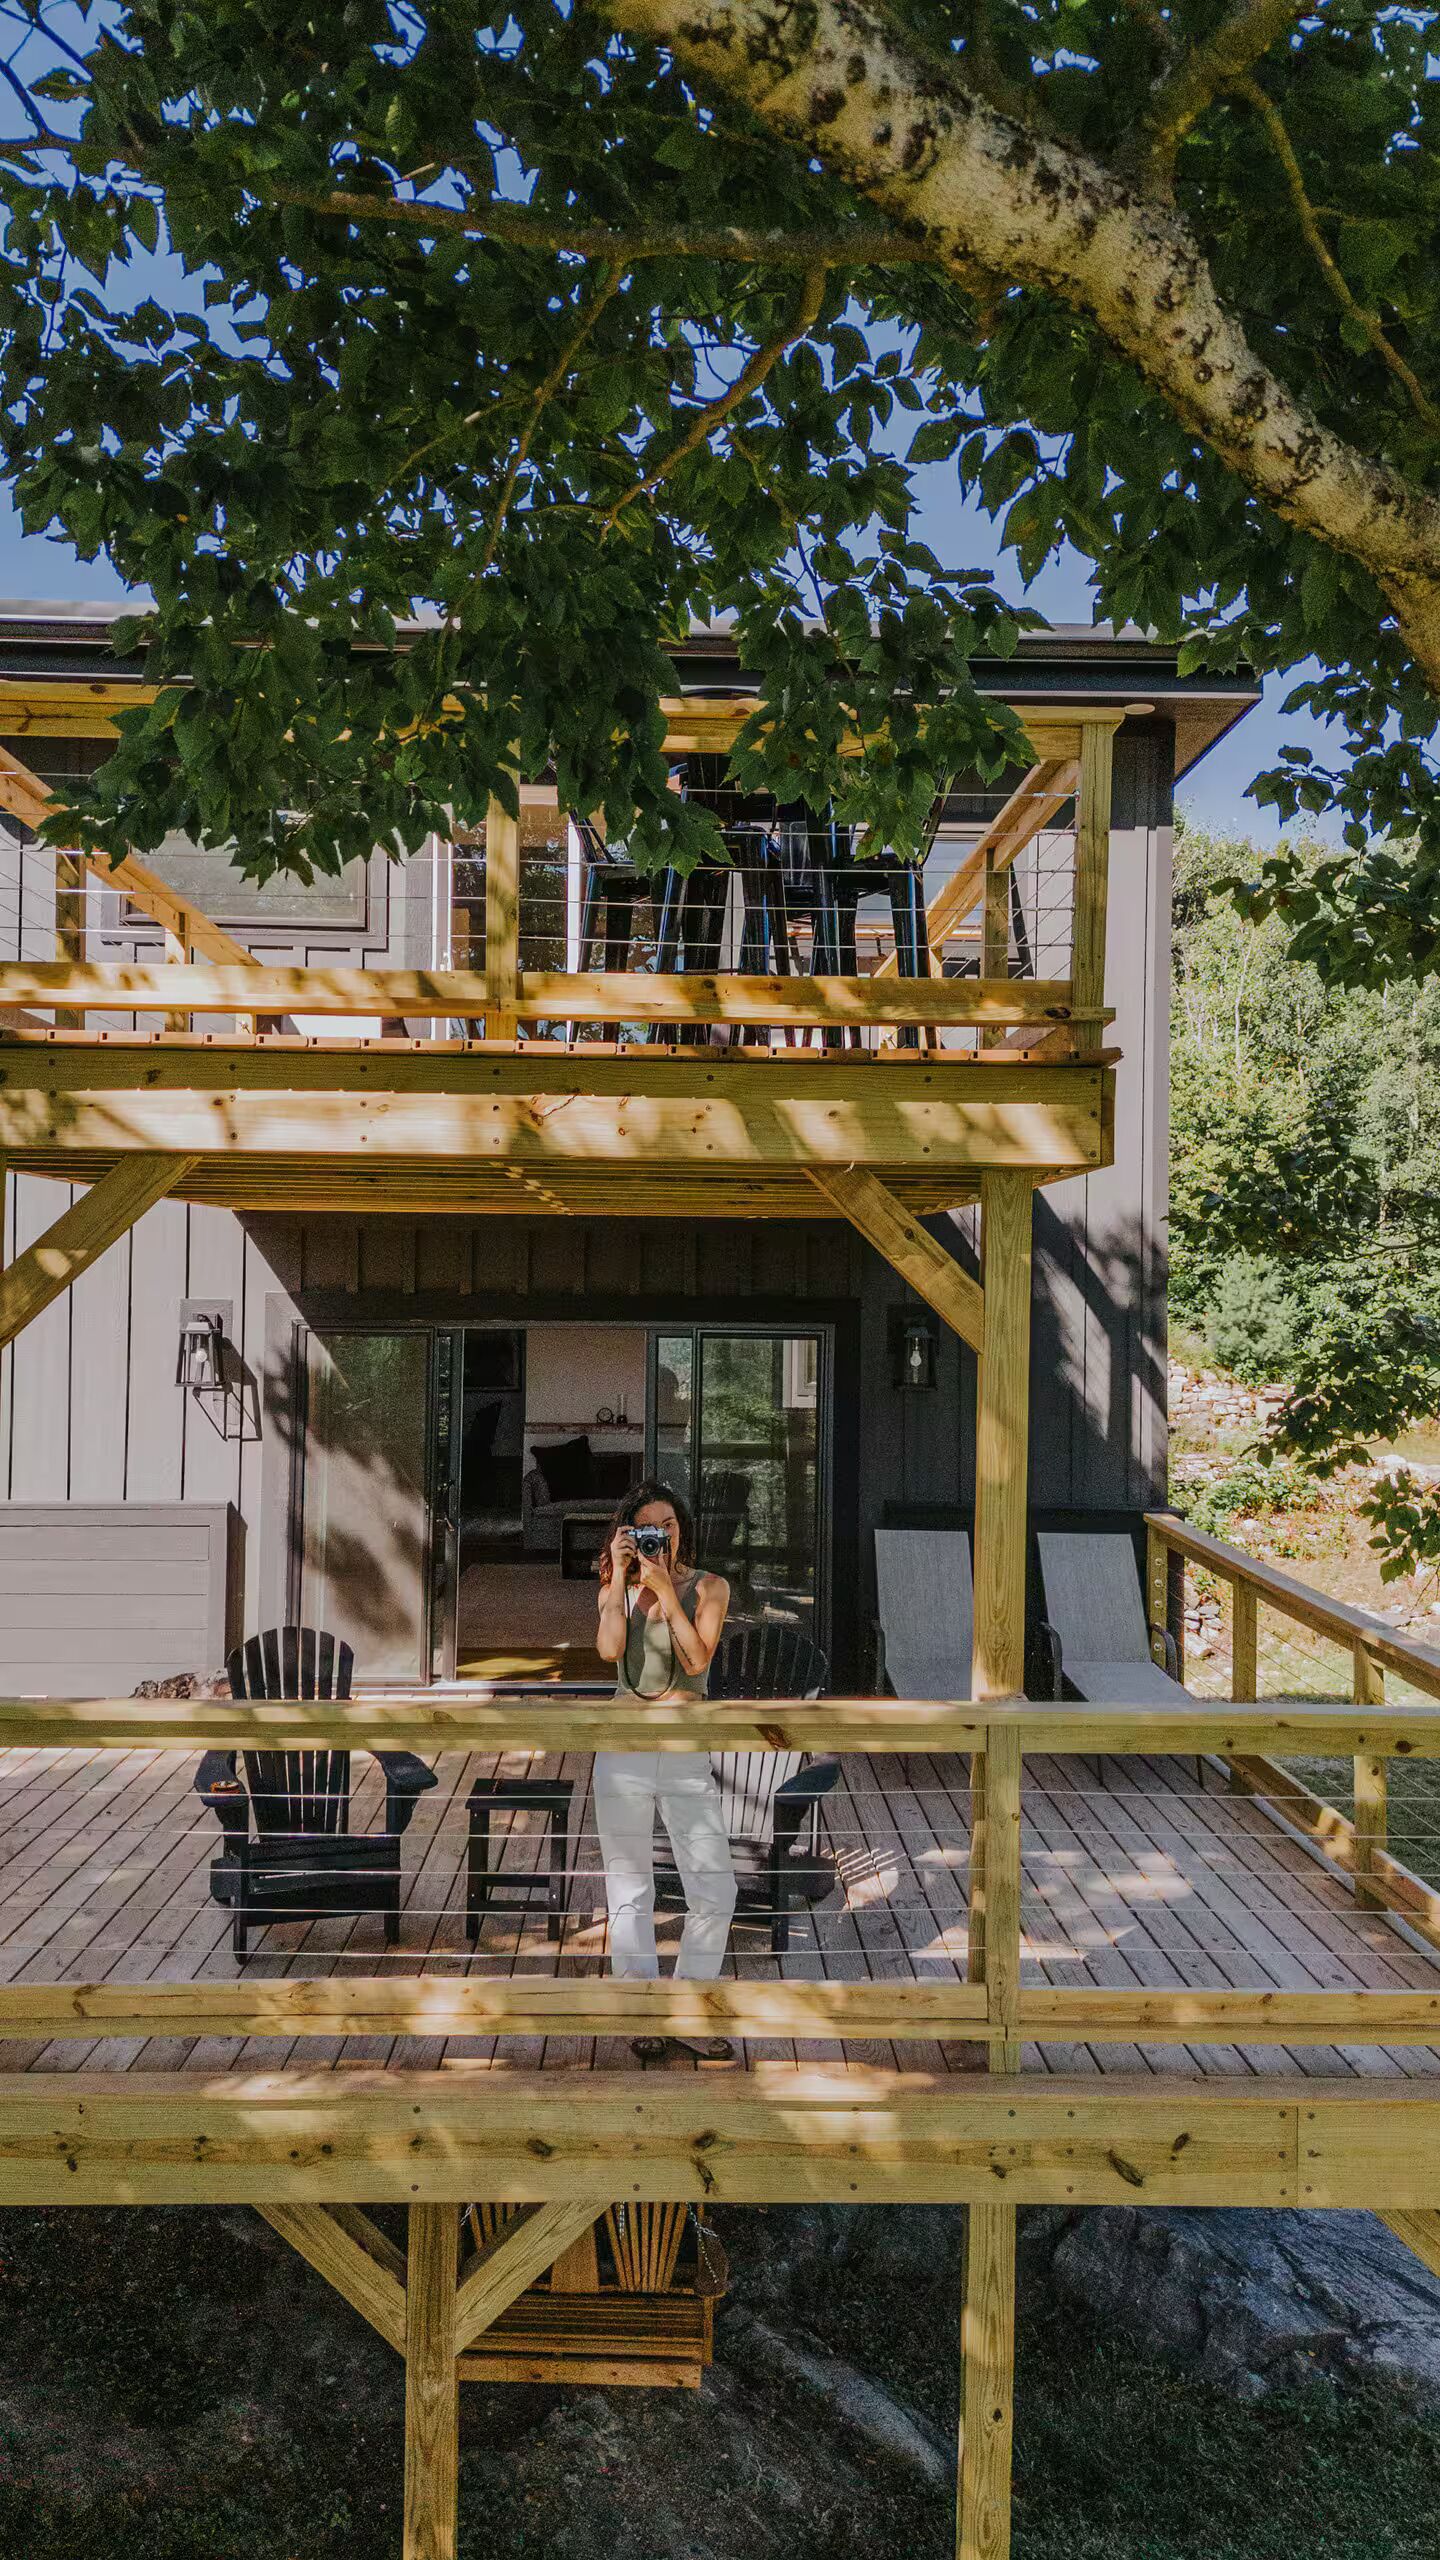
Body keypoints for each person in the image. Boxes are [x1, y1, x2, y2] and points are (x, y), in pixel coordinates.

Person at [594, 1479, 737, 2064]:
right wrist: (618, 1585)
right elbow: (608, 1652)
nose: (660, 1535)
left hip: (683, 1750)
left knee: (714, 1887)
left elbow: (697, 1659)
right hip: (623, 1747)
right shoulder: (619, 1585)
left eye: (668, 1525)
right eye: (646, 1526)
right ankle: (639, 2010)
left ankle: (690, 2006)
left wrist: (666, 1593)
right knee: (628, 1885)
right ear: (627, 1533)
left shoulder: (709, 1587)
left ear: (682, 1529)